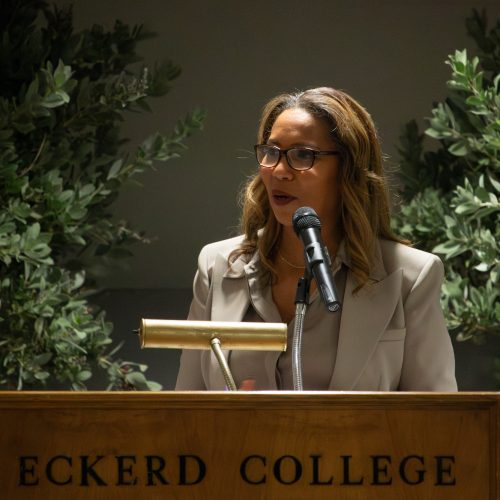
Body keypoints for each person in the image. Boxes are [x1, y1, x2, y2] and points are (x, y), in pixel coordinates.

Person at [175, 87, 457, 391]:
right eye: (271, 152)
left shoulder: (410, 278)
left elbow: (437, 419)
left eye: (302, 155)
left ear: (348, 170)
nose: (279, 171)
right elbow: (187, 411)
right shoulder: (217, 266)